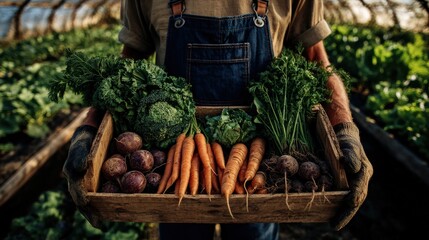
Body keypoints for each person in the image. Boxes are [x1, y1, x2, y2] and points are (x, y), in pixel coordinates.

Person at [63, 0, 373, 239]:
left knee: (256, 233)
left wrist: (344, 129)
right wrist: (90, 129)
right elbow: (127, 65)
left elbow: (316, 58)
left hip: (262, 169)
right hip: (174, 163)